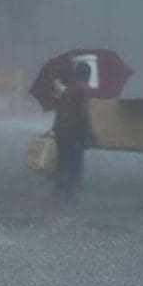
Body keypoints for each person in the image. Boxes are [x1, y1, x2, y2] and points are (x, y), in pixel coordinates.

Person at [52, 62, 93, 202]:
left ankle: (57, 191)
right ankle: (70, 194)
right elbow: (83, 111)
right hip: (74, 130)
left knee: (62, 162)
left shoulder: (68, 88)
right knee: (76, 162)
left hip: (60, 129)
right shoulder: (84, 88)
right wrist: (90, 130)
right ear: (86, 74)